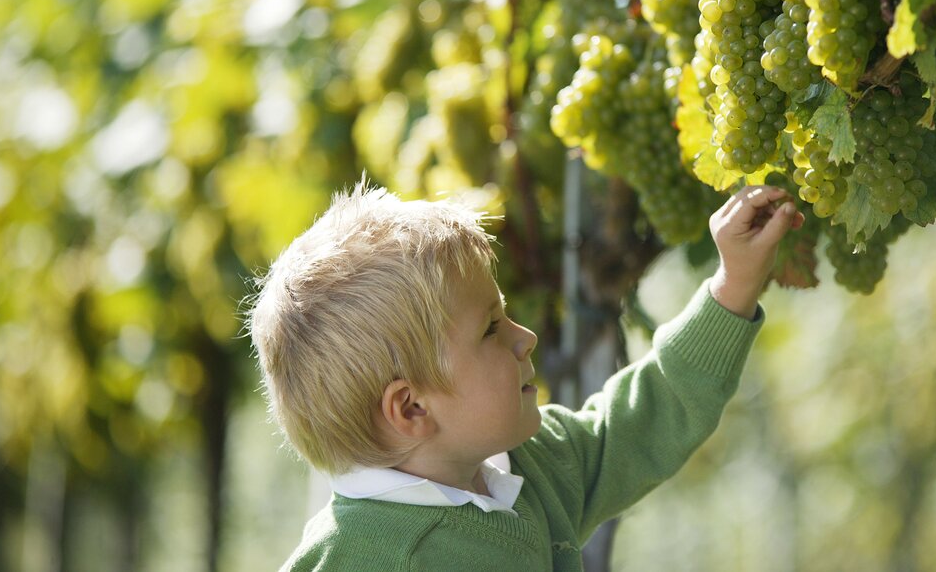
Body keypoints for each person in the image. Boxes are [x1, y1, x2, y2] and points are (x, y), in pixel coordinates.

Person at [247, 181, 803, 571]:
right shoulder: (358, 561)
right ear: (412, 409)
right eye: (491, 328)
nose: (524, 336)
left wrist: (732, 287)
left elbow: (639, 422)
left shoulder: (525, 469)